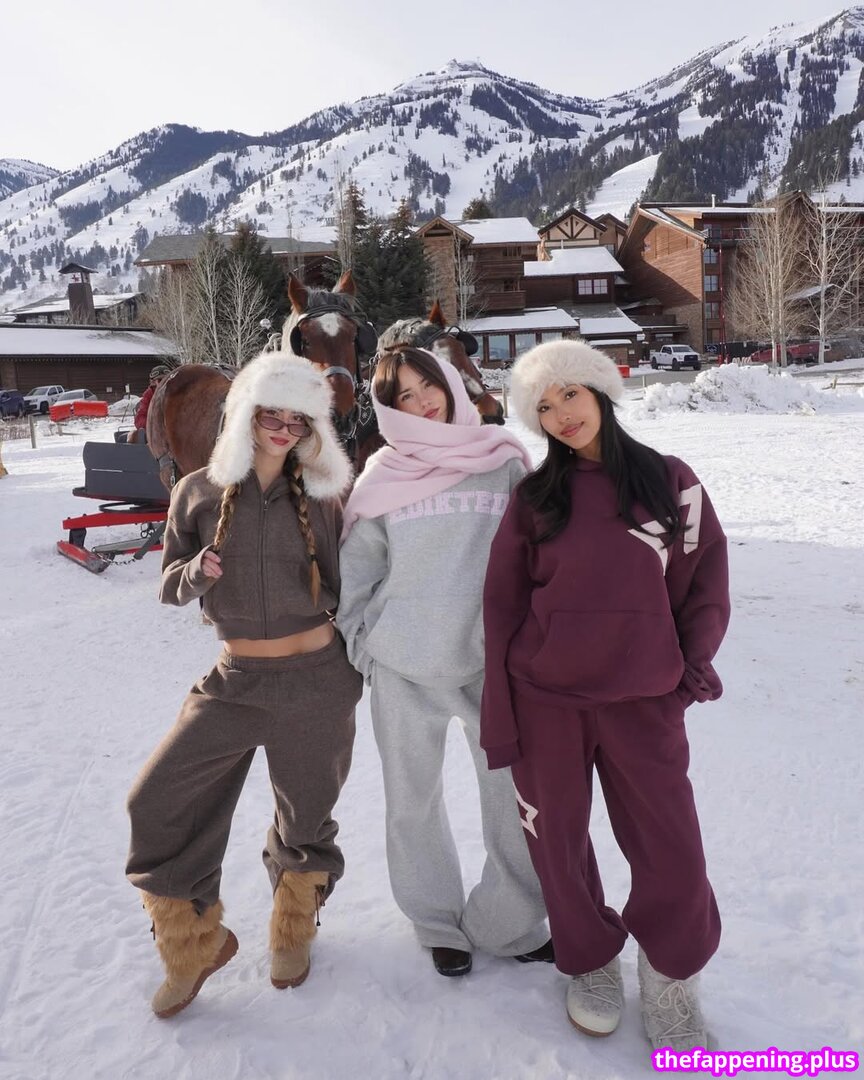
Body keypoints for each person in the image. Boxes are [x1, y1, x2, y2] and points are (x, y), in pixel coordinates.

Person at [480, 341, 729, 1050]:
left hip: (642, 701)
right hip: (546, 701)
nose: (561, 413)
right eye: (543, 405)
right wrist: (502, 711)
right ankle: (589, 958)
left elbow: (704, 583)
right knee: (556, 843)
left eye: (570, 393)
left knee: (671, 845)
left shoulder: (670, 481)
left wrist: (687, 670)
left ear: (600, 391)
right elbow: (502, 607)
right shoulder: (535, 499)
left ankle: (671, 977)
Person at [126, 352, 362, 1018]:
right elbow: (169, 587)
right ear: (245, 415)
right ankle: (192, 941)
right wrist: (196, 572)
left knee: (305, 817)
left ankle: (294, 927)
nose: (283, 429)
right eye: (270, 415)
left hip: (317, 681)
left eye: (297, 419)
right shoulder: (196, 491)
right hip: (235, 680)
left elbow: (355, 583)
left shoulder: (323, 494)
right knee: (156, 800)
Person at [336, 346, 551, 978]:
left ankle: (509, 922)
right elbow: (357, 574)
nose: (421, 401)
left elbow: (539, 559)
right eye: (402, 395)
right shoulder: (382, 477)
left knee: (513, 799)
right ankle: (436, 923)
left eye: (426, 384)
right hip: (403, 668)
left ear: (451, 383)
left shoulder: (504, 463)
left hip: (493, 670)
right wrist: (367, 647)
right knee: (413, 802)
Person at [127, 365, 169, 443]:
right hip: (155, 434)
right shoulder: (149, 395)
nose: (164, 383)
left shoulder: (177, 393)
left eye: (166, 380)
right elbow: (139, 419)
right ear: (153, 382)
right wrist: (154, 424)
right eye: (160, 380)